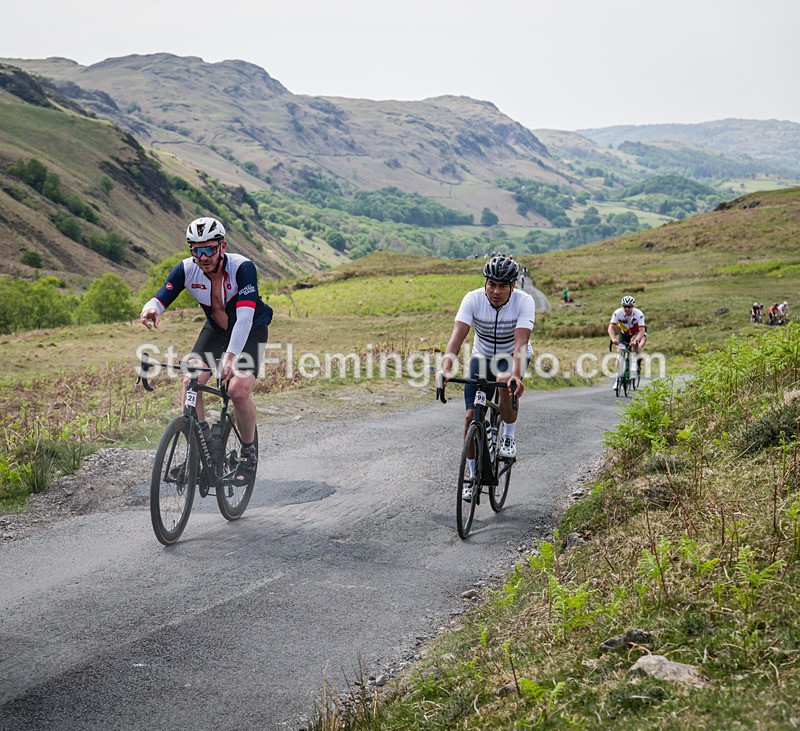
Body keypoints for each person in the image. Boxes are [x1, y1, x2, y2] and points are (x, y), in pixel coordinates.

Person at [140, 217, 273, 484]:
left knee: (238, 390)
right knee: (191, 379)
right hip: (215, 331)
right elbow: (163, 294)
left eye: (209, 249)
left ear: (222, 246)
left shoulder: (242, 268)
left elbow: (245, 318)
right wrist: (152, 306)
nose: (203, 257)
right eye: (197, 250)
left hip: (248, 332)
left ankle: (248, 452)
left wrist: (232, 357)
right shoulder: (186, 269)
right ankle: (200, 450)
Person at [436, 255, 535, 500]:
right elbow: (457, 337)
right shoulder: (472, 299)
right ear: (485, 283)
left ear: (513, 285)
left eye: (502, 286)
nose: (496, 291)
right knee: (471, 417)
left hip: (512, 356)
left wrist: (516, 376)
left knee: (504, 382)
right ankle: (471, 477)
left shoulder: (524, 301)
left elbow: (521, 342)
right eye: (491, 284)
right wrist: (445, 368)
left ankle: (508, 437)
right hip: (482, 356)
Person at [608, 295, 647, 389]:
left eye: (629, 306)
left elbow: (642, 330)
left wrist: (637, 341)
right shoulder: (618, 313)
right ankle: (618, 379)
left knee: (635, 344)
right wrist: (613, 339)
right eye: (624, 306)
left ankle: (636, 363)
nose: (626, 308)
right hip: (624, 333)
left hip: (636, 332)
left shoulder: (638, 314)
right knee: (620, 352)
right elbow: (611, 327)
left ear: (633, 306)